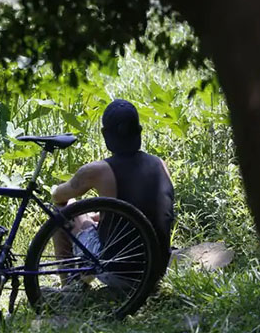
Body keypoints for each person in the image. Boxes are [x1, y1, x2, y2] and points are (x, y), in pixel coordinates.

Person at [50, 98, 175, 280]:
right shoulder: (160, 164)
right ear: (139, 132)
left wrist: (84, 214)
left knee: (63, 208)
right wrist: (101, 216)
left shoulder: (98, 170)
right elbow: (146, 210)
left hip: (118, 272)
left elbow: (58, 196)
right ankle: (78, 283)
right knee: (91, 217)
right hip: (155, 271)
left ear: (104, 134)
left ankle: (71, 286)